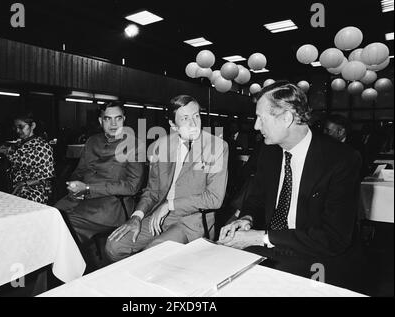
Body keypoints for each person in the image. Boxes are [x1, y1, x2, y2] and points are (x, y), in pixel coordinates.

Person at [218, 81, 363, 291]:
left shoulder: (341, 159)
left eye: (261, 118)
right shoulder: (268, 152)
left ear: (286, 118)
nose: (256, 126)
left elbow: (334, 238)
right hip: (268, 247)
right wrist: (246, 219)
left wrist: (260, 237)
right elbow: (256, 199)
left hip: (314, 255)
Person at [106, 95, 229, 262]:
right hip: (159, 216)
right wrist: (137, 216)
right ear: (173, 125)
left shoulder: (217, 146)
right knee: (114, 245)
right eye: (185, 118)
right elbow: (152, 191)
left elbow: (214, 199)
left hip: (191, 220)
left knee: (153, 253)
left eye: (196, 116)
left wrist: (170, 205)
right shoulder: (160, 146)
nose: (194, 123)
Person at [54, 102, 145, 245]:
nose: (113, 124)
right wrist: (71, 184)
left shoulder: (134, 145)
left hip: (109, 207)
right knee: (48, 217)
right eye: (108, 119)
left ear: (124, 119)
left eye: (118, 118)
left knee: (62, 230)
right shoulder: (92, 141)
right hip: (78, 198)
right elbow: (79, 171)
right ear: (100, 121)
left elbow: (132, 187)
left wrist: (89, 188)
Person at [0, 113, 54, 204]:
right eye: (15, 127)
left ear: (32, 126)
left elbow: (47, 178)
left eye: (21, 127)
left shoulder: (43, 147)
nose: (17, 130)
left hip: (35, 189)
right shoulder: (17, 145)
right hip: (13, 187)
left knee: (18, 204)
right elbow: (8, 163)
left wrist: (25, 183)